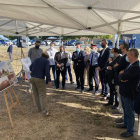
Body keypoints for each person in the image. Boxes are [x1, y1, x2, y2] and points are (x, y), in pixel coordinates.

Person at [117, 49, 140, 138]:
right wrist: (122, 76)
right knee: (126, 110)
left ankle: (130, 130)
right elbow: (122, 75)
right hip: (124, 90)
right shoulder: (130, 65)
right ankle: (126, 124)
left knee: (129, 111)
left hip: (129, 92)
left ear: (131, 55)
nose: (126, 57)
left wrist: (122, 76)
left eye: (128, 55)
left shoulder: (136, 66)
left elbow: (125, 76)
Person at [30, 52, 52, 117]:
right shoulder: (46, 61)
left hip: (32, 78)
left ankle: (38, 108)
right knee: (42, 95)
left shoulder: (36, 59)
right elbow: (47, 71)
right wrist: (49, 80)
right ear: (47, 56)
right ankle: (45, 112)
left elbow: (30, 68)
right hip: (39, 79)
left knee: (36, 94)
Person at [113, 43, 129, 122]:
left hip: (122, 80)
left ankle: (122, 114)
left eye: (121, 48)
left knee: (122, 97)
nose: (120, 49)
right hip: (119, 78)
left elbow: (118, 67)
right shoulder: (123, 57)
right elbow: (117, 66)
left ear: (125, 49)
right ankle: (120, 110)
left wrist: (116, 66)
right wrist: (116, 66)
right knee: (119, 95)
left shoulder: (126, 57)